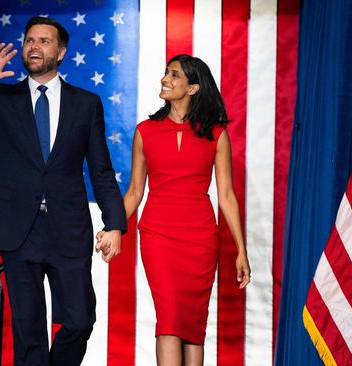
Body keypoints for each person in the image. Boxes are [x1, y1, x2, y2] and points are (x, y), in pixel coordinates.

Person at [0, 16, 126, 366]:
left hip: (69, 228)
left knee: (79, 320)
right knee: (29, 330)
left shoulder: (86, 104)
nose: (34, 46)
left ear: (61, 52)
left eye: (44, 41)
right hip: (18, 229)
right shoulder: (1, 98)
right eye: (29, 40)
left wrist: (114, 223)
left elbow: (101, 168)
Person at [97, 54, 251, 365]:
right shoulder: (145, 131)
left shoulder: (216, 134)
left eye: (174, 75)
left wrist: (241, 251)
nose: (165, 79)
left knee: (193, 325)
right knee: (169, 318)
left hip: (201, 238)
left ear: (193, 88)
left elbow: (227, 196)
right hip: (158, 235)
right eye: (166, 73)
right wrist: (113, 225)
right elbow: (135, 192)